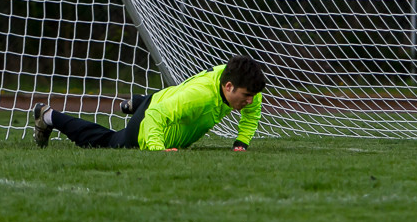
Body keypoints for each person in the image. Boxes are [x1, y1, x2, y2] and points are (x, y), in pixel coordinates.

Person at [33, 55, 266, 151]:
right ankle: (49, 116)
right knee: (106, 141)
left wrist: (241, 142)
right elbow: (156, 116)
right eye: (246, 95)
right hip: (150, 120)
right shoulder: (200, 96)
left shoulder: (245, 85)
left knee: (165, 104)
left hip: (164, 98)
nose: (250, 100)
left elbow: (252, 112)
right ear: (228, 87)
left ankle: (138, 102)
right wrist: (157, 149)